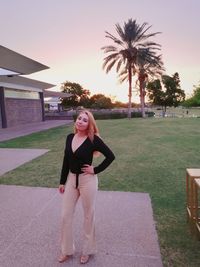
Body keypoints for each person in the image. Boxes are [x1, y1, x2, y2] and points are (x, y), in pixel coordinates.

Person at [58, 109, 115, 264]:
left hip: (87, 181)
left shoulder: (93, 139)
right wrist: (62, 181)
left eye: (84, 120)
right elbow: (66, 161)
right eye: (79, 118)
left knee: (88, 216)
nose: (80, 121)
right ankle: (67, 250)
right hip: (71, 179)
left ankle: (87, 250)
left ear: (89, 123)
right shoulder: (70, 137)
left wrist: (95, 169)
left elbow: (111, 156)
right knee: (65, 215)